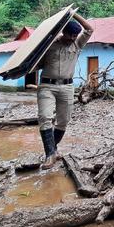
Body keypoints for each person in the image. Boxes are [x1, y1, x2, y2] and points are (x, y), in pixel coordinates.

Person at [36, 13, 93, 169]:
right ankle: (49, 155)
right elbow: (35, 62)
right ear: (63, 32)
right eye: (70, 35)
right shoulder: (48, 45)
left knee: (63, 121)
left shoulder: (77, 44)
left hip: (67, 87)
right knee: (45, 117)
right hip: (47, 86)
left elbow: (89, 29)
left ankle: (53, 150)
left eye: (75, 35)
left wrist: (74, 14)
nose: (73, 38)